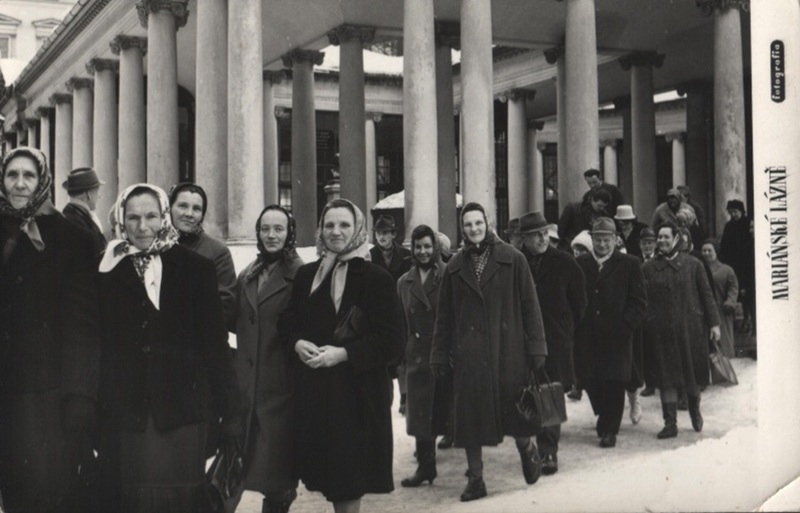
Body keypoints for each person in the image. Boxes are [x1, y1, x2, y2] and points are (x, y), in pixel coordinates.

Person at [96, 184, 242, 511]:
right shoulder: (105, 269)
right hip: (126, 414)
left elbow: (216, 347)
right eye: (132, 217)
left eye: (150, 216)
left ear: (164, 217)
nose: (142, 226)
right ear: (120, 219)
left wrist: (231, 412)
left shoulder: (195, 269)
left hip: (182, 413)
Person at [283, 198, 403, 513]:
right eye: (329, 225)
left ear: (358, 229)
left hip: (358, 395)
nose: (336, 232)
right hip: (319, 394)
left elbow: (393, 342)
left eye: (344, 225)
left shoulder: (377, 278)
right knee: (332, 479)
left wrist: (344, 353)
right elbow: (289, 321)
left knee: (350, 480)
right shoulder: (308, 275)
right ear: (320, 229)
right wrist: (296, 342)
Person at [0, 147, 101, 513]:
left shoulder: (70, 238)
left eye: (29, 175)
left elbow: (82, 328)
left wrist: (80, 396)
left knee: (45, 493)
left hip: (45, 393)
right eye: (12, 175)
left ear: (42, 180)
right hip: (5, 386)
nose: (20, 184)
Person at [431, 202, 547, 502]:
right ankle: (476, 479)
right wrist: (440, 354)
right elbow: (444, 317)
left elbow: (530, 306)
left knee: (517, 413)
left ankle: (527, 449)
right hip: (469, 358)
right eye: (468, 225)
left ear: (488, 223)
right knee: (469, 420)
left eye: (478, 223)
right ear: (462, 228)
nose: (473, 229)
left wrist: (536, 347)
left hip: (508, 353)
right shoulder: (455, 267)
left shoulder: (513, 258)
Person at [230, 205, 303, 513]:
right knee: (241, 466)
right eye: (265, 229)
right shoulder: (248, 273)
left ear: (290, 234)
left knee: (278, 475)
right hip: (247, 387)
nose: (271, 235)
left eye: (278, 229)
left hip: (282, 388)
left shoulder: (301, 274)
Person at [518, 211, 586, 475]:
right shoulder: (514, 261)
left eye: (545, 233)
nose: (543, 238)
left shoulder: (565, 263)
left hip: (554, 341)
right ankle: (528, 446)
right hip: (521, 341)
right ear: (523, 238)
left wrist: (564, 330)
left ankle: (548, 452)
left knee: (550, 395)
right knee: (523, 395)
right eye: (536, 235)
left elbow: (580, 305)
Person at [642, 223, 720, 439]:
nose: (662, 241)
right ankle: (670, 423)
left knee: (691, 376)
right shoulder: (648, 268)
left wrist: (714, 324)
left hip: (690, 330)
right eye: (659, 237)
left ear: (677, 238)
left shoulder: (694, 264)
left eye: (666, 237)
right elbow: (642, 299)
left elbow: (707, 296)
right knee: (665, 377)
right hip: (660, 332)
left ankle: (695, 410)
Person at [574, 217, 647, 448]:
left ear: (615, 240)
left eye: (607, 240)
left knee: (614, 382)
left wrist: (626, 326)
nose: (602, 244)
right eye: (598, 239)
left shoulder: (629, 264)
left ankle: (609, 429)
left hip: (618, 335)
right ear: (592, 239)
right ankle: (604, 416)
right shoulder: (581, 263)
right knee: (590, 379)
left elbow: (639, 301)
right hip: (587, 335)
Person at [397, 224, 453, 488]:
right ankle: (426, 468)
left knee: (451, 410)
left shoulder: (448, 275)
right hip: (418, 354)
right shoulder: (403, 282)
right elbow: (402, 322)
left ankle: (475, 467)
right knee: (420, 414)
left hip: (444, 353)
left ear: (436, 248)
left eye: (427, 246)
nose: (422, 251)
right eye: (418, 246)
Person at [168, 183, 237, 328]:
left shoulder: (217, 251)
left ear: (202, 215)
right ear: (169, 209)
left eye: (196, 209)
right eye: (182, 206)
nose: (189, 214)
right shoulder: (157, 247)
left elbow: (225, 306)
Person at [368, 214, 412, 414]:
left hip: (401, 310)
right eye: (378, 233)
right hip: (378, 314)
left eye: (386, 233)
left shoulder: (405, 256)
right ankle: (385, 399)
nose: (382, 237)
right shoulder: (370, 256)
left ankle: (405, 397)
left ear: (394, 234)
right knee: (383, 359)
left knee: (403, 356)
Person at [719, 199, 755, 334]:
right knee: (733, 292)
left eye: (735, 211)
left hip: (745, 264)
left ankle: (748, 319)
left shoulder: (747, 224)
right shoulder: (729, 226)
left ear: (741, 211)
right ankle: (732, 321)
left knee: (746, 293)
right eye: (731, 212)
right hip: (732, 264)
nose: (733, 214)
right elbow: (724, 245)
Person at [701, 239, 739, 358]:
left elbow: (733, 287)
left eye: (709, 250)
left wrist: (730, 301)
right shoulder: (698, 268)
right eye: (704, 250)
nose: (706, 253)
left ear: (716, 252)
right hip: (703, 311)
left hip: (722, 310)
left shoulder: (726, 270)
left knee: (723, 343)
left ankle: (724, 371)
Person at [62, 167, 107, 259]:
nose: (99, 196)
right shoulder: (78, 225)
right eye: (97, 192)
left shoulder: (67, 219)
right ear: (89, 194)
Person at [638, 227, 659, 398]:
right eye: (644, 243)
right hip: (642, 311)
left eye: (650, 243)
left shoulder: (659, 261)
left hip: (658, 310)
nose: (647, 246)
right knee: (646, 350)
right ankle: (650, 383)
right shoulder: (635, 261)